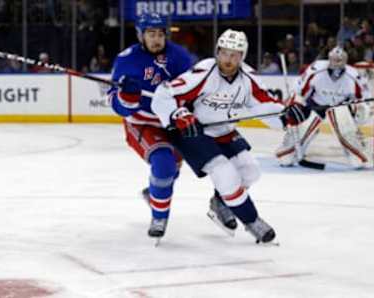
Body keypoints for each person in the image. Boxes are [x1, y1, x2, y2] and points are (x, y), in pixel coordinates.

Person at [151, 29, 284, 244]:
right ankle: (252, 221)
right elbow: (164, 94)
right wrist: (178, 114)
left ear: (242, 56)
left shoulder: (248, 79)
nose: (228, 60)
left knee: (250, 171)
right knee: (225, 174)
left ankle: (221, 203)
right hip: (194, 132)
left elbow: (266, 106)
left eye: (234, 55)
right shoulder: (204, 72)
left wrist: (289, 114)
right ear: (217, 52)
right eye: (224, 53)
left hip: (224, 131)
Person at [108, 13, 193, 240]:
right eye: (151, 34)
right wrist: (127, 97)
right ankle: (159, 216)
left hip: (173, 122)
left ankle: (153, 194)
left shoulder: (181, 57)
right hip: (142, 122)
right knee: (164, 163)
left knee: (172, 171)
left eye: (160, 34)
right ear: (141, 35)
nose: (156, 39)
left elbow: (195, 92)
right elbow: (115, 104)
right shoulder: (127, 60)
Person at [275, 46, 371, 168]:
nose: (336, 64)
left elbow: (365, 98)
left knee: (358, 162)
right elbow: (299, 92)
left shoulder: (353, 75)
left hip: (340, 110)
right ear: (329, 59)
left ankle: (355, 142)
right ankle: (295, 143)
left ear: (346, 61)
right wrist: (293, 105)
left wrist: (360, 109)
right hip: (316, 107)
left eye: (339, 60)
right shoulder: (316, 69)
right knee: (285, 159)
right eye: (334, 60)